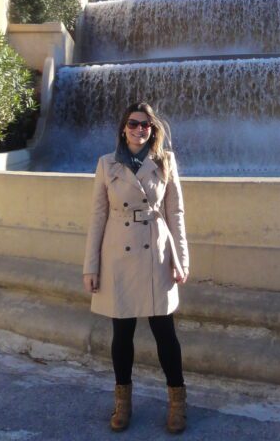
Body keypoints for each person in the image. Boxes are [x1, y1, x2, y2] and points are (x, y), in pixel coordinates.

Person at [83, 102, 190, 434]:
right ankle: (123, 403)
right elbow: (97, 216)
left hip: (156, 252)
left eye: (146, 125)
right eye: (133, 123)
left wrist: (182, 259)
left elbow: (176, 213)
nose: (139, 129)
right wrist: (91, 266)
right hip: (119, 254)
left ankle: (177, 403)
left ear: (152, 130)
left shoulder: (165, 161)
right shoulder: (107, 164)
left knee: (165, 334)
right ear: (123, 128)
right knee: (122, 335)